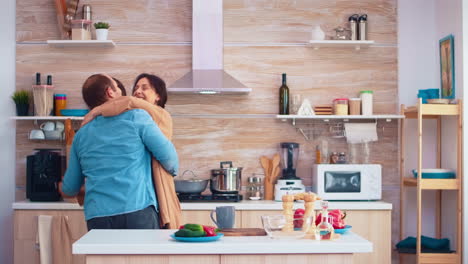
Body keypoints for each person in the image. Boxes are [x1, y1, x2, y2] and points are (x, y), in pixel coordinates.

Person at [60, 73, 179, 230]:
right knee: (142, 256)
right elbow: (171, 163)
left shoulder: (81, 134)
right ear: (110, 92)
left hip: (97, 216)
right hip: (137, 211)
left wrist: (57, 184)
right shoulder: (137, 117)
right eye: (118, 89)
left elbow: (69, 188)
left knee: (103, 256)